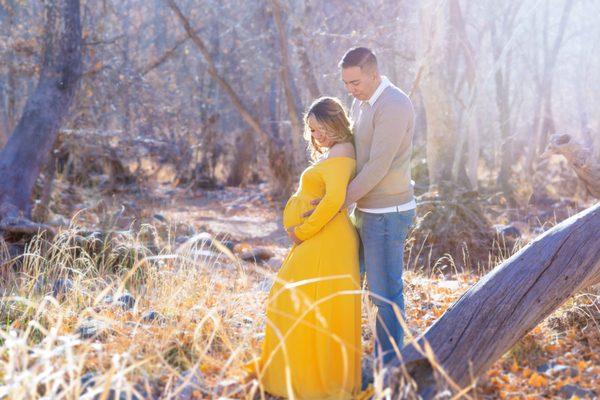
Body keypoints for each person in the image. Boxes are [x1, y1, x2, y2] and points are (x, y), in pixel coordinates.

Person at [246, 97, 364, 398]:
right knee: (299, 303)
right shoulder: (335, 152)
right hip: (321, 238)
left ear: (336, 122)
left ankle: (315, 383)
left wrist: (302, 231)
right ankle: (296, 376)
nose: (317, 136)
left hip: (327, 240)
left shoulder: (341, 152)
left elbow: (335, 199)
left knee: (294, 299)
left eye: (321, 128)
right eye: (312, 130)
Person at [308, 47, 416, 369]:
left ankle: (391, 368)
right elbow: (358, 155)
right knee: (359, 286)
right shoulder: (362, 102)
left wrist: (338, 202)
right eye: (346, 83)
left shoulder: (393, 105)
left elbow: (378, 166)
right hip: (368, 211)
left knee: (385, 294)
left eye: (355, 82)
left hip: (388, 212)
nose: (350, 90)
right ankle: (361, 361)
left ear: (373, 74)